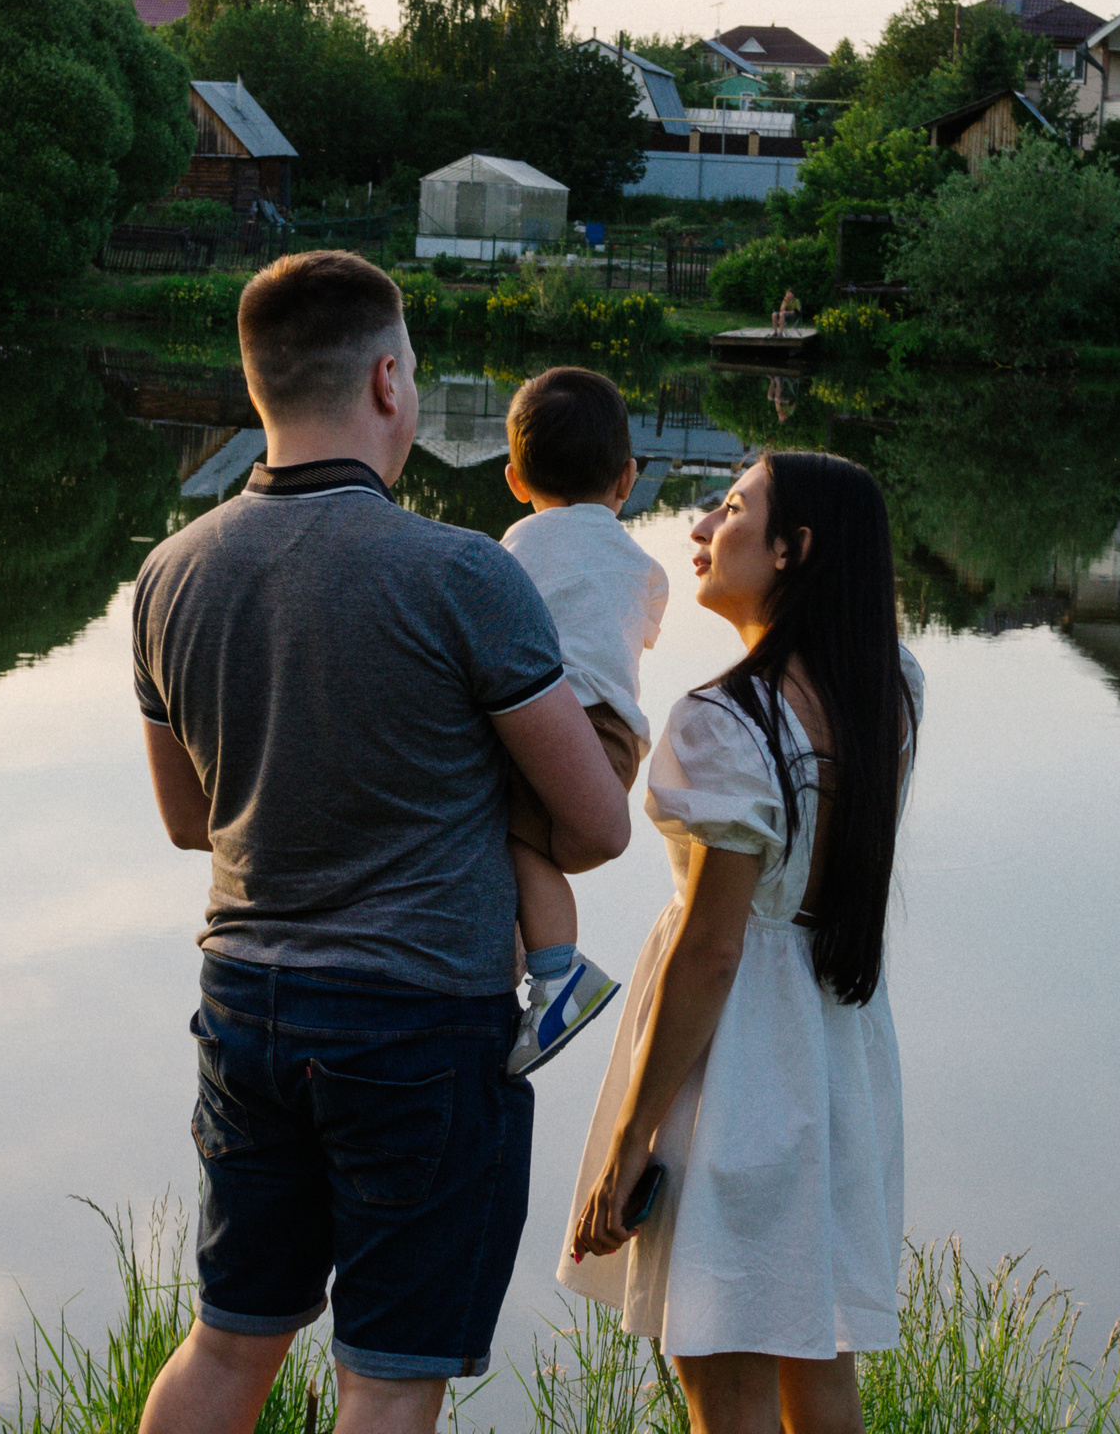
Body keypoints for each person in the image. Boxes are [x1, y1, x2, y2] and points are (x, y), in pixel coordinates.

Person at [132, 250, 632, 1434]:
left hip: (245, 1002)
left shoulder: (166, 574)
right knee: (389, 1376)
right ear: (391, 382)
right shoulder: (462, 575)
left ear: (260, 387)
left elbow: (186, 820)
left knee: (228, 1340)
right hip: (419, 1024)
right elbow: (598, 827)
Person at [560, 451, 924, 1434]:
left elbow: (714, 950)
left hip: (740, 1062)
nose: (699, 529)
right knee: (818, 1355)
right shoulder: (889, 687)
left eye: (728, 510)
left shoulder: (724, 723)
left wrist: (634, 1136)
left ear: (792, 549)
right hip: (840, 1041)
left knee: (721, 1370)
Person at [497, 366, 671, 1077]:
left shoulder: (517, 546)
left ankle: (557, 973)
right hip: (620, 744)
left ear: (514, 479)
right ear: (626, 479)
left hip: (559, 730)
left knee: (510, 836)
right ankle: (543, 971)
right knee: (532, 846)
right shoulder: (645, 566)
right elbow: (637, 633)